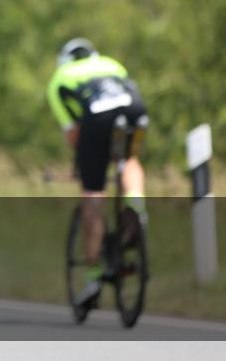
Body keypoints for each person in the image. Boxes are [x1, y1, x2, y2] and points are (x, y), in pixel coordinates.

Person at [46, 38, 148, 308]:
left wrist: (82, 167)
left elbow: (74, 135)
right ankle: (135, 204)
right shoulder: (111, 63)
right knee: (129, 160)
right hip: (136, 109)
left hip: (97, 114)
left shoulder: (59, 79)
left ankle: (93, 274)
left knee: (93, 192)